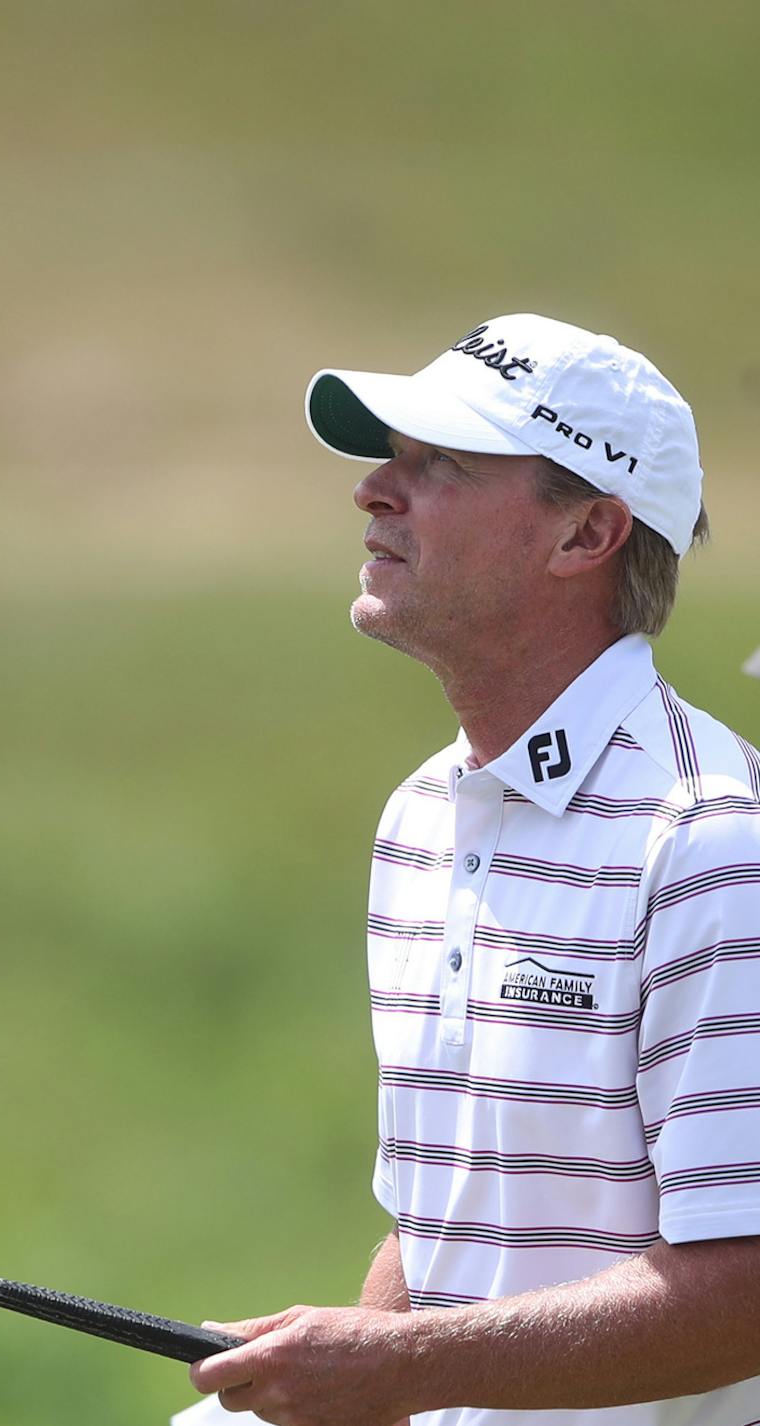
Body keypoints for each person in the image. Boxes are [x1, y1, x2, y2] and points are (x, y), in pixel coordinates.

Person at [184, 315, 760, 1426]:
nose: (373, 491)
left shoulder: (711, 842)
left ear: (586, 533)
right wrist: (349, 1374)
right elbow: (448, 1218)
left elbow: (744, 1292)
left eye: (437, 464)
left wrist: (398, 1368)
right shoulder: (422, 818)